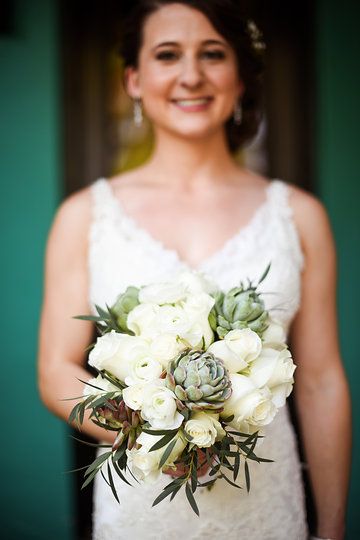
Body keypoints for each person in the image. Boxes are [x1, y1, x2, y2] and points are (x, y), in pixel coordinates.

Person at [38, 1, 351, 539]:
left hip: (268, 510)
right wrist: (160, 433)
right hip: (140, 512)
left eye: (212, 54)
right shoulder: (84, 216)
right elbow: (55, 370)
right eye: (167, 55)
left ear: (239, 77)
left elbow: (320, 381)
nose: (191, 75)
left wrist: (332, 529)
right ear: (133, 80)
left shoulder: (300, 216)